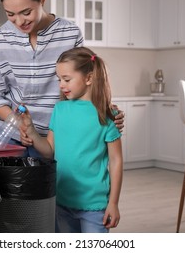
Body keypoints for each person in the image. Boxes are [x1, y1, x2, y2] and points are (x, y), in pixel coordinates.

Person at [0, 0, 124, 157]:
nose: (19, 21)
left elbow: (82, 85)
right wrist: (20, 125)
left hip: (55, 137)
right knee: (5, 186)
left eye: (26, 12)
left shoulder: (70, 33)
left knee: (48, 186)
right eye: (10, 14)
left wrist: (104, 109)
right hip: (9, 136)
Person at [19, 46, 123, 233]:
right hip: (62, 200)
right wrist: (32, 131)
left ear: (89, 78)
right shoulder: (60, 110)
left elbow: (116, 161)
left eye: (66, 79)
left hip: (94, 205)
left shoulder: (106, 115)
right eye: (59, 79)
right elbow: (50, 150)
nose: (61, 85)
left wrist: (113, 203)